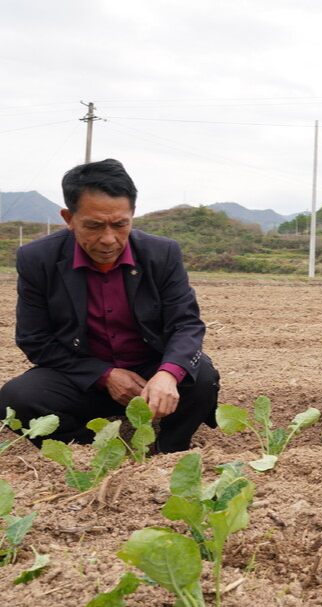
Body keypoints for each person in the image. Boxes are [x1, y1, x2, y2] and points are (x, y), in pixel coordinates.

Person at [0, 159, 220, 454]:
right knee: (16, 399)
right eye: (93, 226)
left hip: (148, 371)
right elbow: (34, 339)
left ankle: (169, 448)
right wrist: (105, 376)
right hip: (83, 375)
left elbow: (186, 324)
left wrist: (168, 374)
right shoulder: (38, 259)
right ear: (69, 218)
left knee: (202, 376)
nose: (108, 239)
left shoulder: (162, 253)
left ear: (132, 214)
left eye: (120, 224)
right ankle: (96, 449)